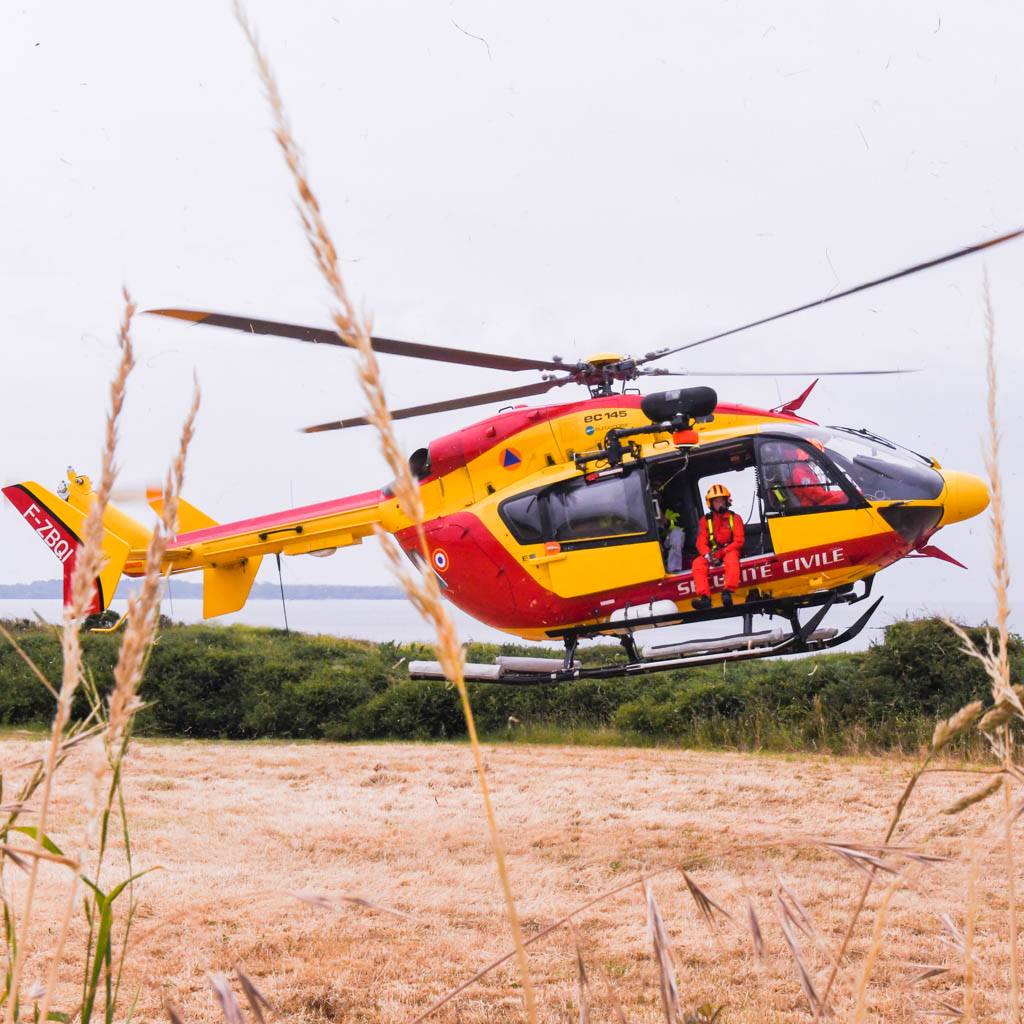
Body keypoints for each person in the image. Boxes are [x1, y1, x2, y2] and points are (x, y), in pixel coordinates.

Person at [691, 483, 744, 610]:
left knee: (731, 559)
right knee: (698, 563)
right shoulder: (705, 520)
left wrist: (722, 552)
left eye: (722, 501)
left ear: (727, 501)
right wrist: (708, 556)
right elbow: (701, 542)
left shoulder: (735, 518)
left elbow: (739, 541)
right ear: (711, 504)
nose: (720, 504)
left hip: (729, 551)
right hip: (712, 553)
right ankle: (705, 598)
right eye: (716, 501)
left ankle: (727, 593)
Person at [662, 506, 685, 574]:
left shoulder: (671, 510)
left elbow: (664, 521)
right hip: (656, 541)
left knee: (676, 534)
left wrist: (665, 521)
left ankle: (674, 568)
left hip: (670, 539)